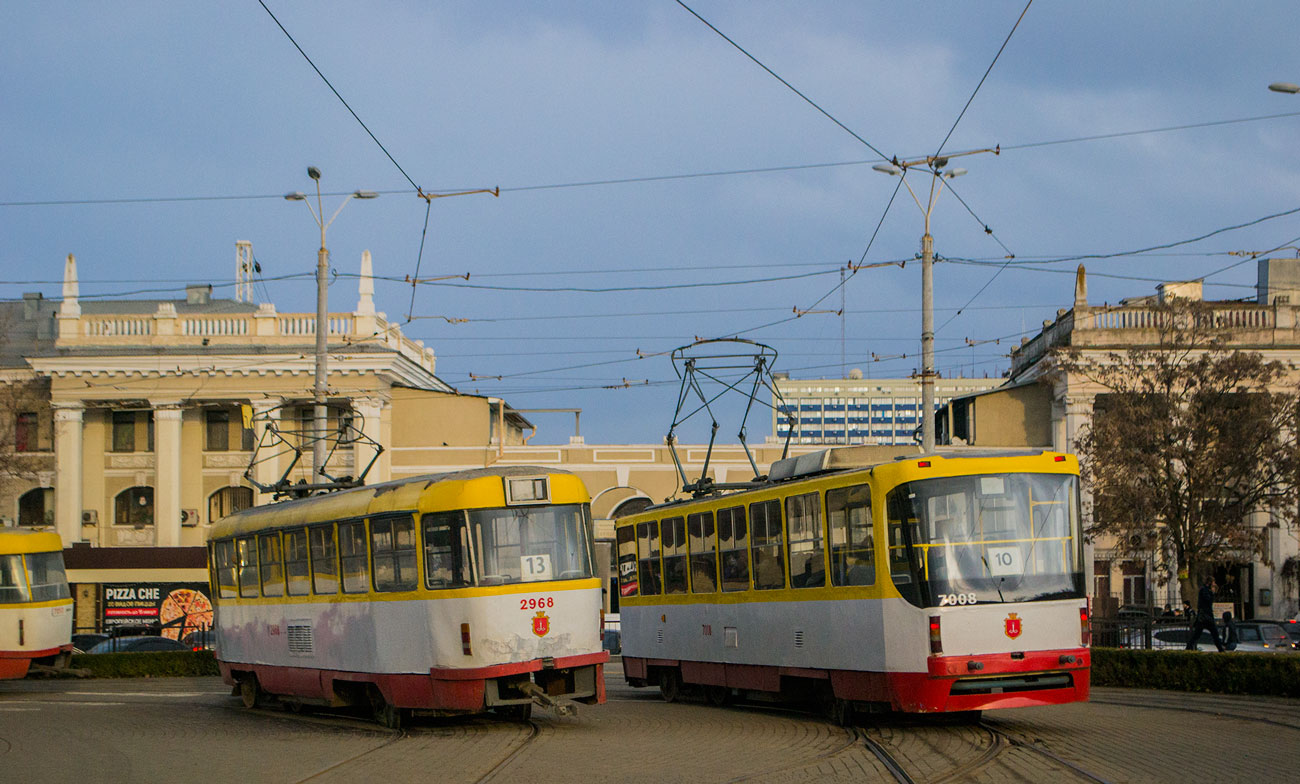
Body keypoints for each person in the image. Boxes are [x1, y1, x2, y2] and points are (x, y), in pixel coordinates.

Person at [1186, 577, 1226, 652]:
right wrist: (1212, 592)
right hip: (1205, 617)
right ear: (1210, 582)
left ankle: (1188, 648)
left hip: (1205, 617)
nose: (1214, 585)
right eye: (1213, 583)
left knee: (1199, 635)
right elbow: (1208, 600)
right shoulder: (1204, 590)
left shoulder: (1205, 590)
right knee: (1212, 634)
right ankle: (1220, 650)